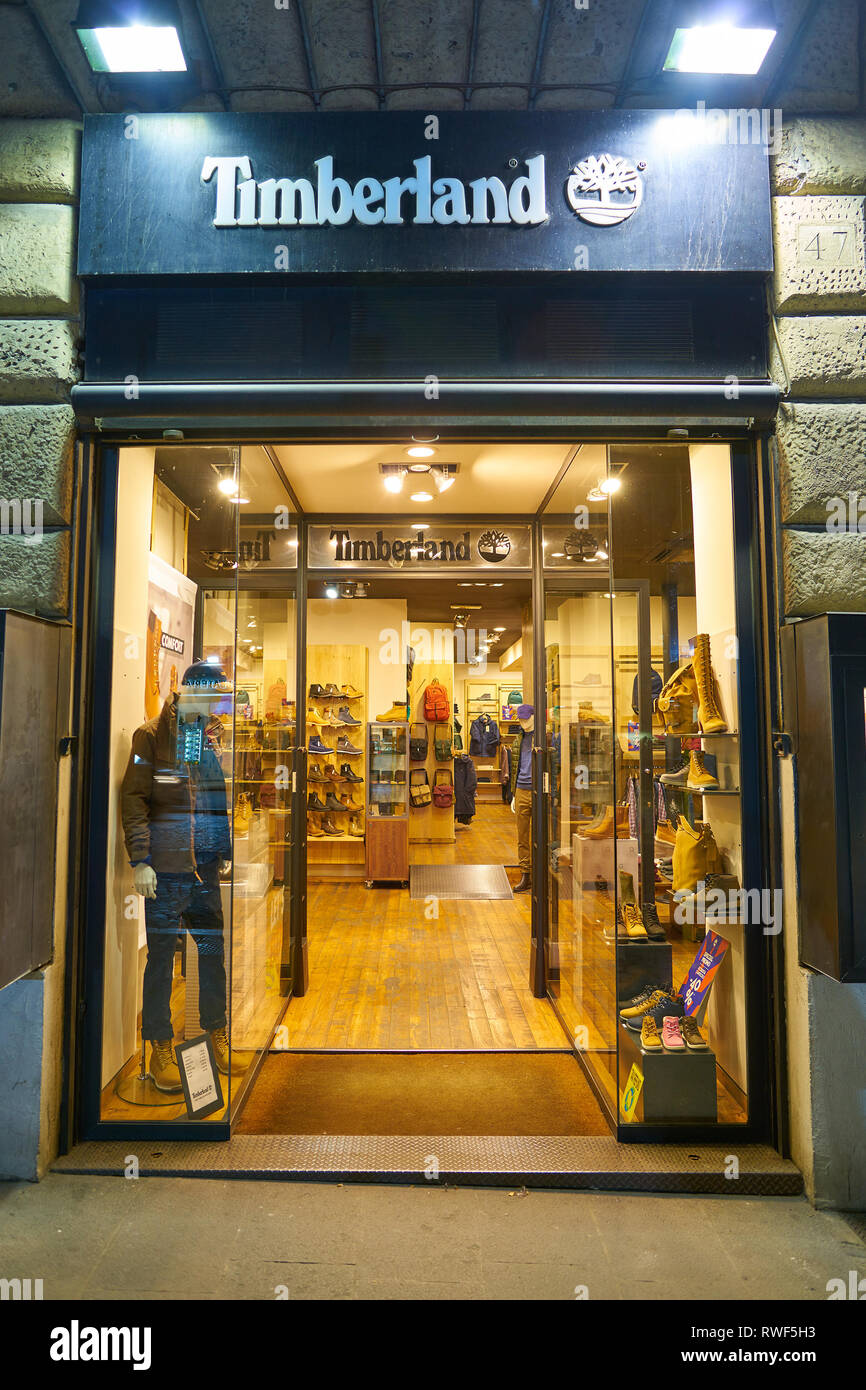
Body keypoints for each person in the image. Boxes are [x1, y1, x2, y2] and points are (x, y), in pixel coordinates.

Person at [121, 658, 239, 1093]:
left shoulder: (203, 739)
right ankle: (159, 1045)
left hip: (204, 869)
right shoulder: (151, 737)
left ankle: (216, 1032)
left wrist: (222, 849)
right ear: (192, 691)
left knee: (211, 954)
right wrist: (141, 860)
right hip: (167, 872)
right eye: (212, 695)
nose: (216, 704)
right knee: (161, 962)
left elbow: (213, 796)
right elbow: (134, 798)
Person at [509, 703, 534, 892]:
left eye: (526, 718)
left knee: (542, 835)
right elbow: (515, 767)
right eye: (520, 719)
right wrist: (513, 795)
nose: (523, 722)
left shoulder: (546, 738)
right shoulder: (518, 739)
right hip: (521, 790)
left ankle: (542, 874)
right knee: (522, 836)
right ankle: (526, 874)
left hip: (540, 791)